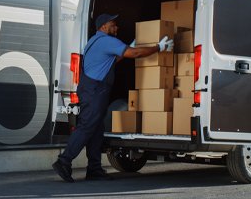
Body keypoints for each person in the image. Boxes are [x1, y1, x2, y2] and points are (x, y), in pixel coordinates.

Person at [52, 14, 173, 182]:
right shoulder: (106, 41)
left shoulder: (95, 41)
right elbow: (135, 53)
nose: (116, 28)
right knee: (87, 126)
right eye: (113, 25)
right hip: (95, 91)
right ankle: (64, 161)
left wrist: (127, 48)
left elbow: (110, 61)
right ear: (103, 27)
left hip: (92, 90)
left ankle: (94, 169)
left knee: (96, 130)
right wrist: (158, 47)